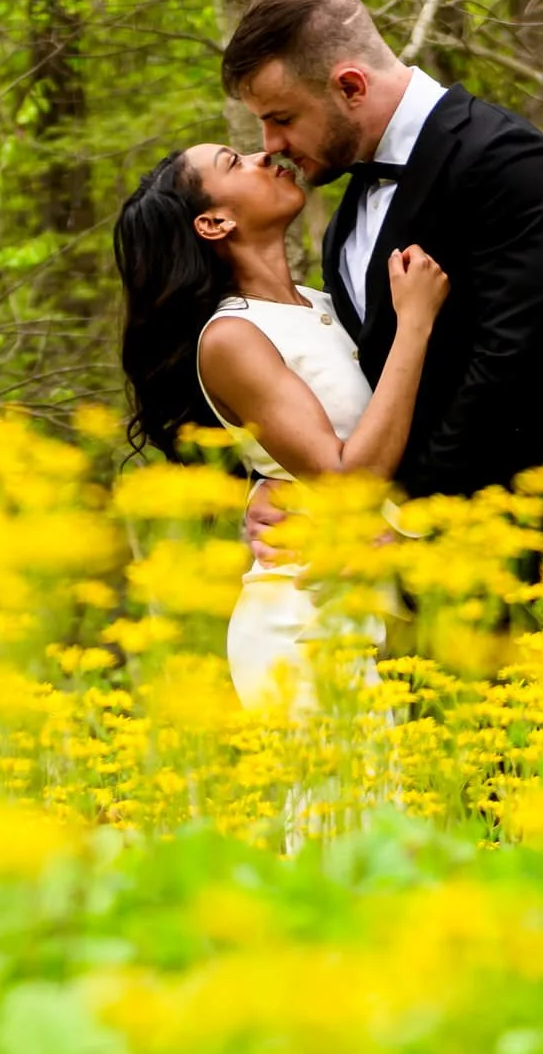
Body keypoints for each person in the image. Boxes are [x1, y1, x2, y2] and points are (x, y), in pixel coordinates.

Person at [221, 0, 543, 504]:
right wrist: (282, 488)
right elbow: (354, 388)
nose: (272, 145)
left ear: (351, 87)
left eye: (282, 118)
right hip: (420, 559)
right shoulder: (349, 209)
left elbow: (510, 371)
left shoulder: (509, 163)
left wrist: (405, 515)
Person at [113, 140, 448, 710]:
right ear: (215, 222)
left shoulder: (326, 303)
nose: (262, 157)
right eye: (232, 163)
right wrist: (415, 323)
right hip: (300, 627)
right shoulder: (230, 338)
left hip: (371, 612)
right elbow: (346, 477)